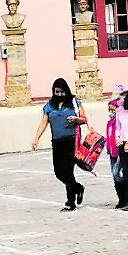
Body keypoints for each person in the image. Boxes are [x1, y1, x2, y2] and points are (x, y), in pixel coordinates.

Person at [30, 78, 88, 211]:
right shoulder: (50, 105)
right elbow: (44, 122)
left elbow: (84, 119)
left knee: (68, 170)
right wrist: (36, 139)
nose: (59, 94)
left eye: (62, 92)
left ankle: (70, 201)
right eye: (57, 92)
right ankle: (78, 187)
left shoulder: (74, 102)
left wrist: (76, 119)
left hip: (71, 140)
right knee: (59, 172)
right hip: (57, 141)